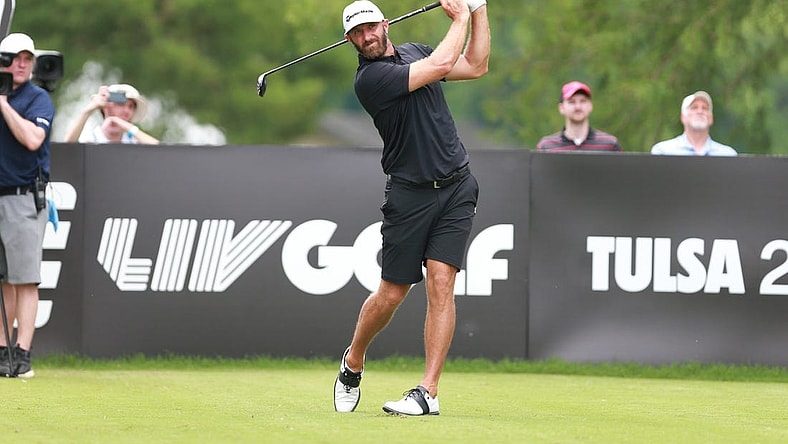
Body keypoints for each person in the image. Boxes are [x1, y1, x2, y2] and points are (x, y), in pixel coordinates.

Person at [333, 0, 489, 416]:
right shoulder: (371, 79)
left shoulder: (416, 51)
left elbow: (475, 65)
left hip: (457, 185)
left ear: (384, 25)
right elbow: (441, 66)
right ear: (349, 40)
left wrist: (479, 9)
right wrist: (460, 17)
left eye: (369, 27)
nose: (365, 37)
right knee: (392, 293)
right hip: (410, 194)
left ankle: (428, 392)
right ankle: (353, 361)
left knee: (442, 282)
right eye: (356, 33)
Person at [0, 33, 55, 378]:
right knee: (3, 282)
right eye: (13, 58)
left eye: (26, 59)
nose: (20, 64)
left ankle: (22, 355)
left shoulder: (38, 98)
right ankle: (2, 351)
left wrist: (3, 104)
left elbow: (34, 139)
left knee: (24, 281)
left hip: (22, 197)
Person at [536, 81, 621, 152]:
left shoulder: (609, 145)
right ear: (561, 108)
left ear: (590, 105)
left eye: (583, 101)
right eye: (572, 102)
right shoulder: (547, 147)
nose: (578, 107)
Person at [63, 83, 159, 144]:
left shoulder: (133, 140)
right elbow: (68, 147)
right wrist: (88, 111)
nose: (127, 111)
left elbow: (160, 151)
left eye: (131, 106)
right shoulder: (92, 138)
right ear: (106, 106)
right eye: (121, 104)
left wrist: (127, 126)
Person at [651, 91, 736, 156]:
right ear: (683, 117)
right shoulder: (663, 151)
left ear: (711, 118)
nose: (700, 111)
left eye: (705, 108)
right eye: (694, 107)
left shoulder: (728, 154)